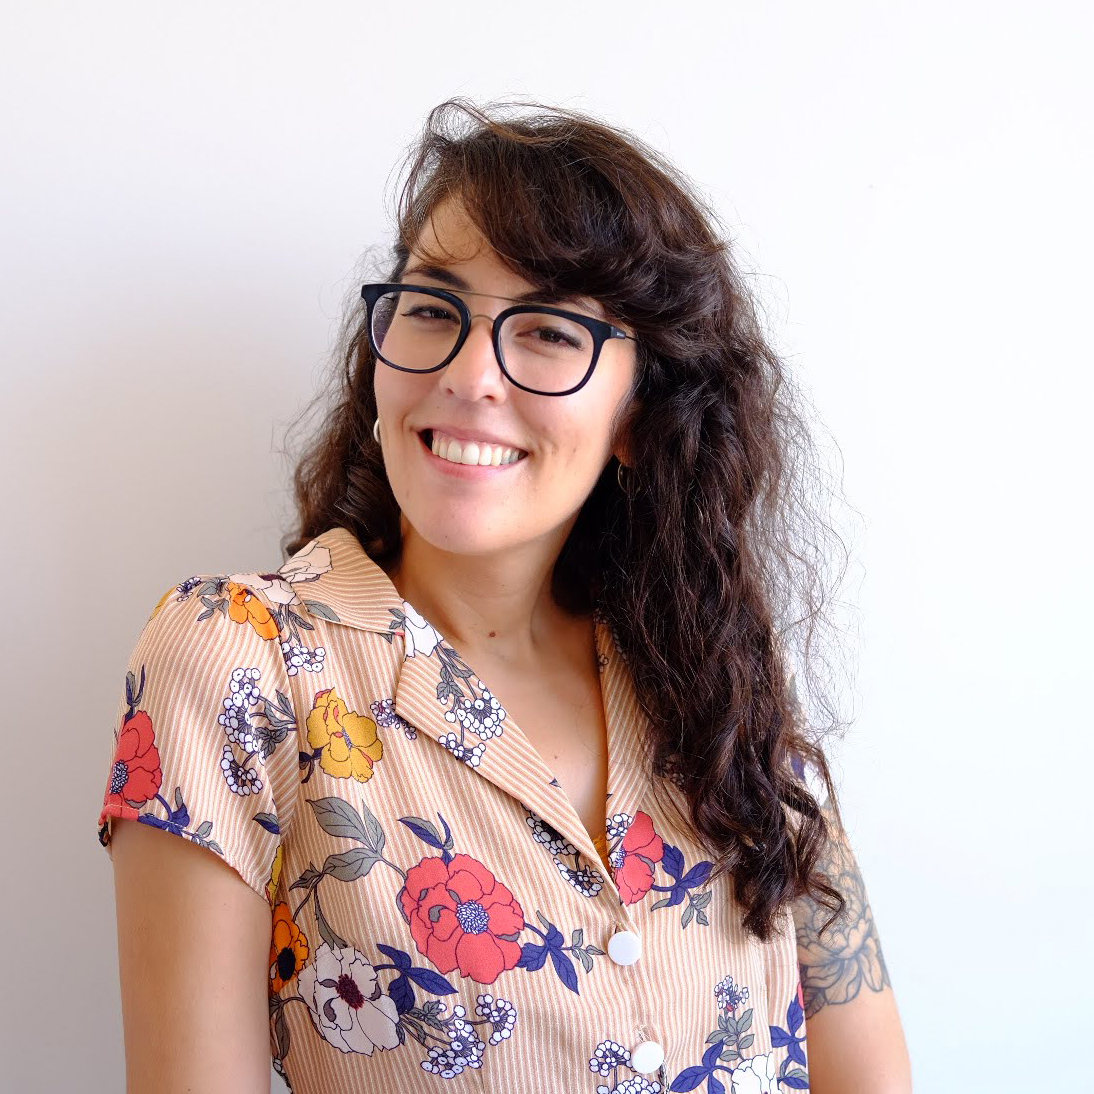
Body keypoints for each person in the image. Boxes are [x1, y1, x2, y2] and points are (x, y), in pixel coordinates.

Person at [97, 98, 912, 1094]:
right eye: (433, 310)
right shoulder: (239, 657)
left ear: (639, 415)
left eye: (551, 330)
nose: (470, 374)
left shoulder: (715, 672)